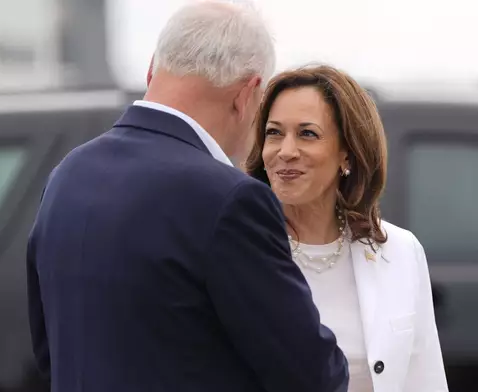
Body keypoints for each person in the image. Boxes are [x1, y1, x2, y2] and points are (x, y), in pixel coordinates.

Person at [25, 2, 349, 392]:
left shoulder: (68, 175)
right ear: (246, 95)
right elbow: (311, 374)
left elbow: (49, 352)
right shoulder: (230, 200)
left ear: (151, 69)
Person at [245, 65, 449, 392]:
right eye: (274, 133)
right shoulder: (240, 248)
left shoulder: (399, 251)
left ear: (347, 154)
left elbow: (424, 380)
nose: (285, 151)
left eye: (307, 133)